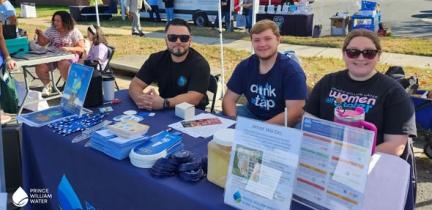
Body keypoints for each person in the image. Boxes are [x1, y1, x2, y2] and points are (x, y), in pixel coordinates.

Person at [304, 29, 416, 156]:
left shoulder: (394, 92)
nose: (361, 57)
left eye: (369, 53)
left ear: (378, 56)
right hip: (325, 158)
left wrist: (355, 157)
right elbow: (309, 122)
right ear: (344, 54)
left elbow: (395, 146)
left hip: (370, 166)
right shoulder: (327, 82)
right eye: (353, 52)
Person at [222, 20, 307, 126]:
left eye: (267, 39)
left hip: (283, 121)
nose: (262, 44)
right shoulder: (245, 66)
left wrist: (260, 129)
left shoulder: (292, 71)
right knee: (221, 118)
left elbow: (295, 113)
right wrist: (233, 124)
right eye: (257, 40)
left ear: (278, 40)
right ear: (252, 43)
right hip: (251, 114)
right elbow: (228, 100)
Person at [129, 18, 210, 111]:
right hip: (164, 112)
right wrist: (140, 99)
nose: (178, 41)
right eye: (172, 37)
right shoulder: (156, 59)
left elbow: (194, 97)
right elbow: (135, 84)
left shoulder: (200, 64)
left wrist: (165, 103)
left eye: (184, 38)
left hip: (192, 114)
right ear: (166, 39)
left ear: (190, 40)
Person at [35, 11, 85, 96]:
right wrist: (40, 35)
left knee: (63, 63)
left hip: (68, 56)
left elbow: (81, 48)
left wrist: (68, 48)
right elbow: (42, 43)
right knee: (40, 66)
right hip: (52, 55)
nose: (55, 23)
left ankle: (70, 89)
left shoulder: (74, 31)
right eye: (54, 20)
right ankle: (48, 85)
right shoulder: (51, 30)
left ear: (65, 21)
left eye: (58, 21)